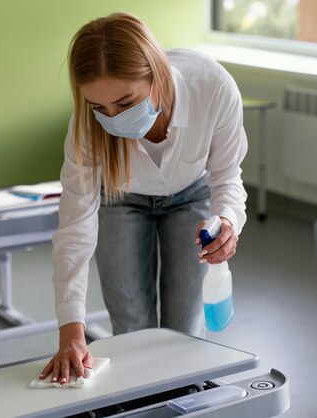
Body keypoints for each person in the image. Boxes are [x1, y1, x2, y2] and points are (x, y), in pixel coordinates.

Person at [40, 12, 248, 385]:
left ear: (158, 74)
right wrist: (70, 328)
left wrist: (228, 220)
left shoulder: (212, 86)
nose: (113, 118)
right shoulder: (86, 127)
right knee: (132, 327)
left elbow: (227, 175)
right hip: (120, 198)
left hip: (191, 196)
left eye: (125, 102)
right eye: (99, 108)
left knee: (184, 330)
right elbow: (75, 225)